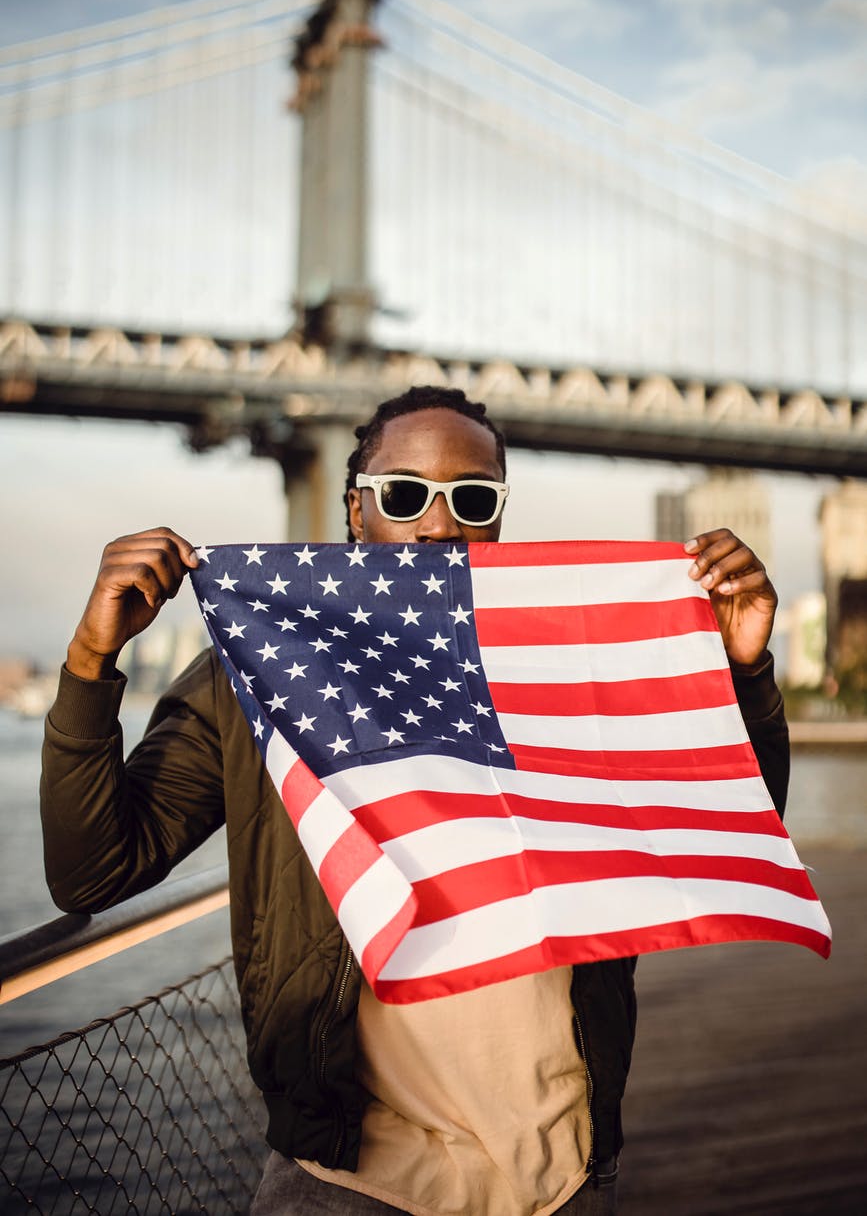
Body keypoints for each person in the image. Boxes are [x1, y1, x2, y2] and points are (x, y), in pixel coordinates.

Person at [41, 386, 788, 1215]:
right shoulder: (253, 678)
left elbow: (732, 831)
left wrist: (744, 670)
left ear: (499, 515)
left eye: (471, 498)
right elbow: (94, 872)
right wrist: (89, 658)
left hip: (563, 1171)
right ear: (356, 512)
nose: (438, 525)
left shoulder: (567, 669)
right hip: (348, 1182)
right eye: (404, 495)